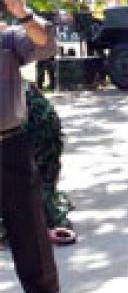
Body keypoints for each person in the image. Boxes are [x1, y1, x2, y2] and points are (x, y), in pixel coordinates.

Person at [0, 0, 72, 293]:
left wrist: (24, 14)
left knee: (28, 227)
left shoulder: (9, 38)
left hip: (9, 143)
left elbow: (45, 44)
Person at [25, 83, 76, 245]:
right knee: (41, 182)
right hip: (43, 125)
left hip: (35, 129)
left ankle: (48, 218)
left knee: (34, 187)